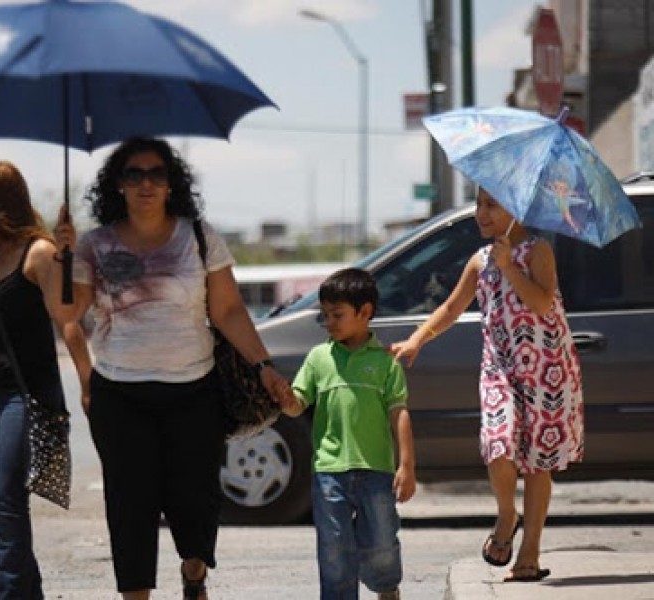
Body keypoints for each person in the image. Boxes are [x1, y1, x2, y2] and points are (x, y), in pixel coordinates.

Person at [53, 136, 290, 600]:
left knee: (195, 499)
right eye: (134, 174)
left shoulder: (200, 238)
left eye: (156, 173)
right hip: (119, 393)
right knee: (129, 505)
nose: (146, 183)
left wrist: (264, 366)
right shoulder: (93, 245)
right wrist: (63, 255)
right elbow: (68, 313)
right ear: (117, 185)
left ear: (171, 183)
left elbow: (229, 311)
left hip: (193, 390)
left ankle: (195, 570)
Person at [390, 187, 584, 583]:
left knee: (537, 463)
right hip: (501, 370)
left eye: (491, 205)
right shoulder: (479, 262)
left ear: (518, 209)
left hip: (547, 371)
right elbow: (449, 308)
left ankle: (528, 553)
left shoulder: (537, 251)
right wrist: (418, 338)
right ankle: (507, 514)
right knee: (499, 445)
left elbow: (543, 303)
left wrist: (511, 267)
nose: (481, 213)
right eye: (479, 204)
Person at [0, 161, 91, 599]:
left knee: (8, 505)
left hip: (23, 397)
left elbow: (67, 318)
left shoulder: (40, 253)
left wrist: (88, 382)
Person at [275, 267, 416, 600]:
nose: (330, 322)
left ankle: (385, 586)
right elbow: (298, 405)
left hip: (377, 471)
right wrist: (285, 400)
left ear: (365, 312)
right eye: (325, 315)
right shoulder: (318, 358)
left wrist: (407, 465)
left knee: (382, 543)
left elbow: (400, 413)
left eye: (337, 314)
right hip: (329, 473)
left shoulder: (385, 363)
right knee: (334, 548)